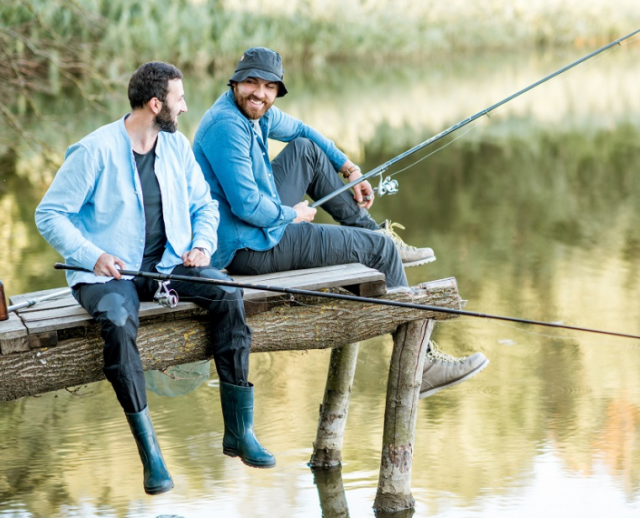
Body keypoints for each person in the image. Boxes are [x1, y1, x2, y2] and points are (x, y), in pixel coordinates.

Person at [192, 47, 488, 398]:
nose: (260, 93)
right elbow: (246, 206)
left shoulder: (256, 114)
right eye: (251, 83)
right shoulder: (227, 125)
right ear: (235, 82)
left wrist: (348, 167)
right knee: (378, 251)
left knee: (307, 151)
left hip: (258, 226)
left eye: (269, 86)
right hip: (246, 246)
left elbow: (302, 130)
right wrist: (294, 215)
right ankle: (421, 366)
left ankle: (376, 235)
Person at [35, 62, 274, 496]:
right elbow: (49, 215)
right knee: (118, 322)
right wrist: (93, 255)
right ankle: (152, 455)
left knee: (227, 293)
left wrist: (202, 244)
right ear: (155, 104)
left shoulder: (176, 146)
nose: (185, 107)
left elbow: (205, 206)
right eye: (179, 99)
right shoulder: (94, 151)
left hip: (169, 263)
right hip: (108, 272)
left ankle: (239, 432)